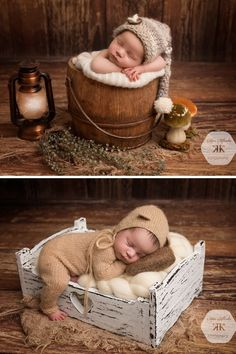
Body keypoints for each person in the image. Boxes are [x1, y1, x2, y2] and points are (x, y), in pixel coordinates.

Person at [38, 205, 169, 321]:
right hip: (54, 255)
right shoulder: (104, 248)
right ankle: (48, 307)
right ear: (120, 229)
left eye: (140, 254)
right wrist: (124, 265)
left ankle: (70, 270)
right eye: (130, 244)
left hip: (66, 255)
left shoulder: (119, 239)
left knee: (72, 273)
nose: (131, 253)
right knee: (58, 281)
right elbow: (103, 275)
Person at [90, 14, 173, 113]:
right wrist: (121, 70)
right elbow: (96, 65)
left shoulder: (144, 63)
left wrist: (142, 68)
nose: (120, 52)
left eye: (130, 55)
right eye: (119, 43)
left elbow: (162, 62)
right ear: (116, 36)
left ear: (144, 61)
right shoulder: (107, 53)